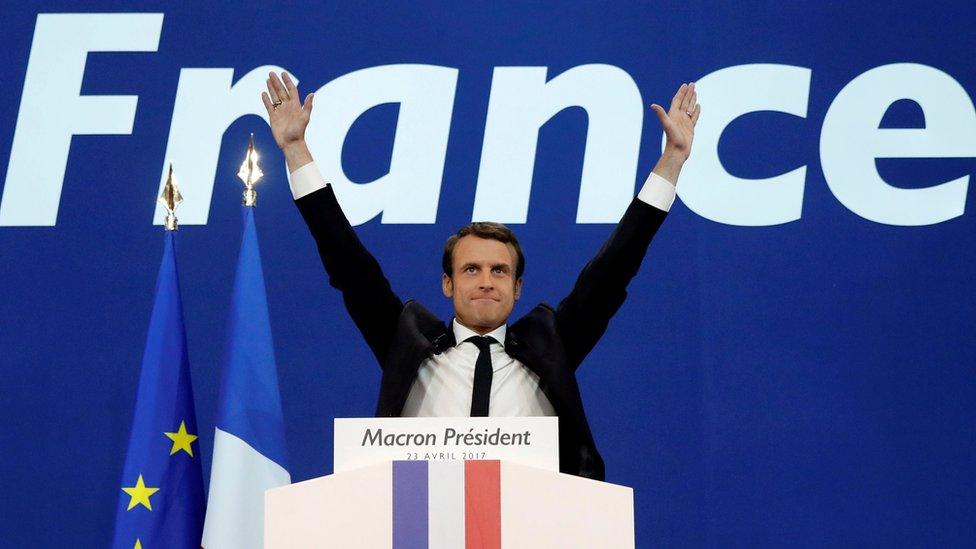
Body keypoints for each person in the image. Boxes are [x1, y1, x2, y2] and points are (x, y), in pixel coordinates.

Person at [262, 72, 699, 480]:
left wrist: (673, 160)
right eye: (471, 269)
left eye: (499, 271)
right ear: (447, 284)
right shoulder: (407, 343)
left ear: (517, 287)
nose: (486, 280)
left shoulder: (552, 346)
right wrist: (296, 150)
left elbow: (612, 270)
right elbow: (348, 265)